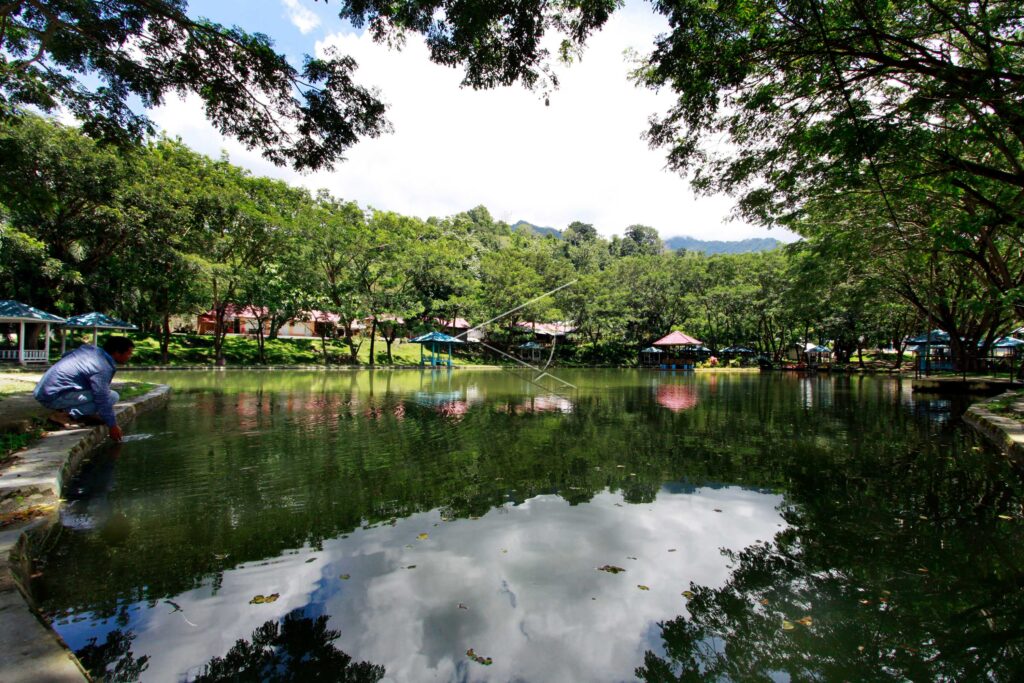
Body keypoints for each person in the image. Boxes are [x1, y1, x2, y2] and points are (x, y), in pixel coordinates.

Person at [33, 336, 135, 441]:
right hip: (52, 397)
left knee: (107, 396)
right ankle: (65, 415)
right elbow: (102, 398)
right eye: (129, 353)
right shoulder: (102, 367)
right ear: (117, 352)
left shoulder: (90, 350)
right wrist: (112, 426)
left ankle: (80, 414)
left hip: (43, 391)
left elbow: (65, 355)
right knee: (111, 397)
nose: (130, 356)